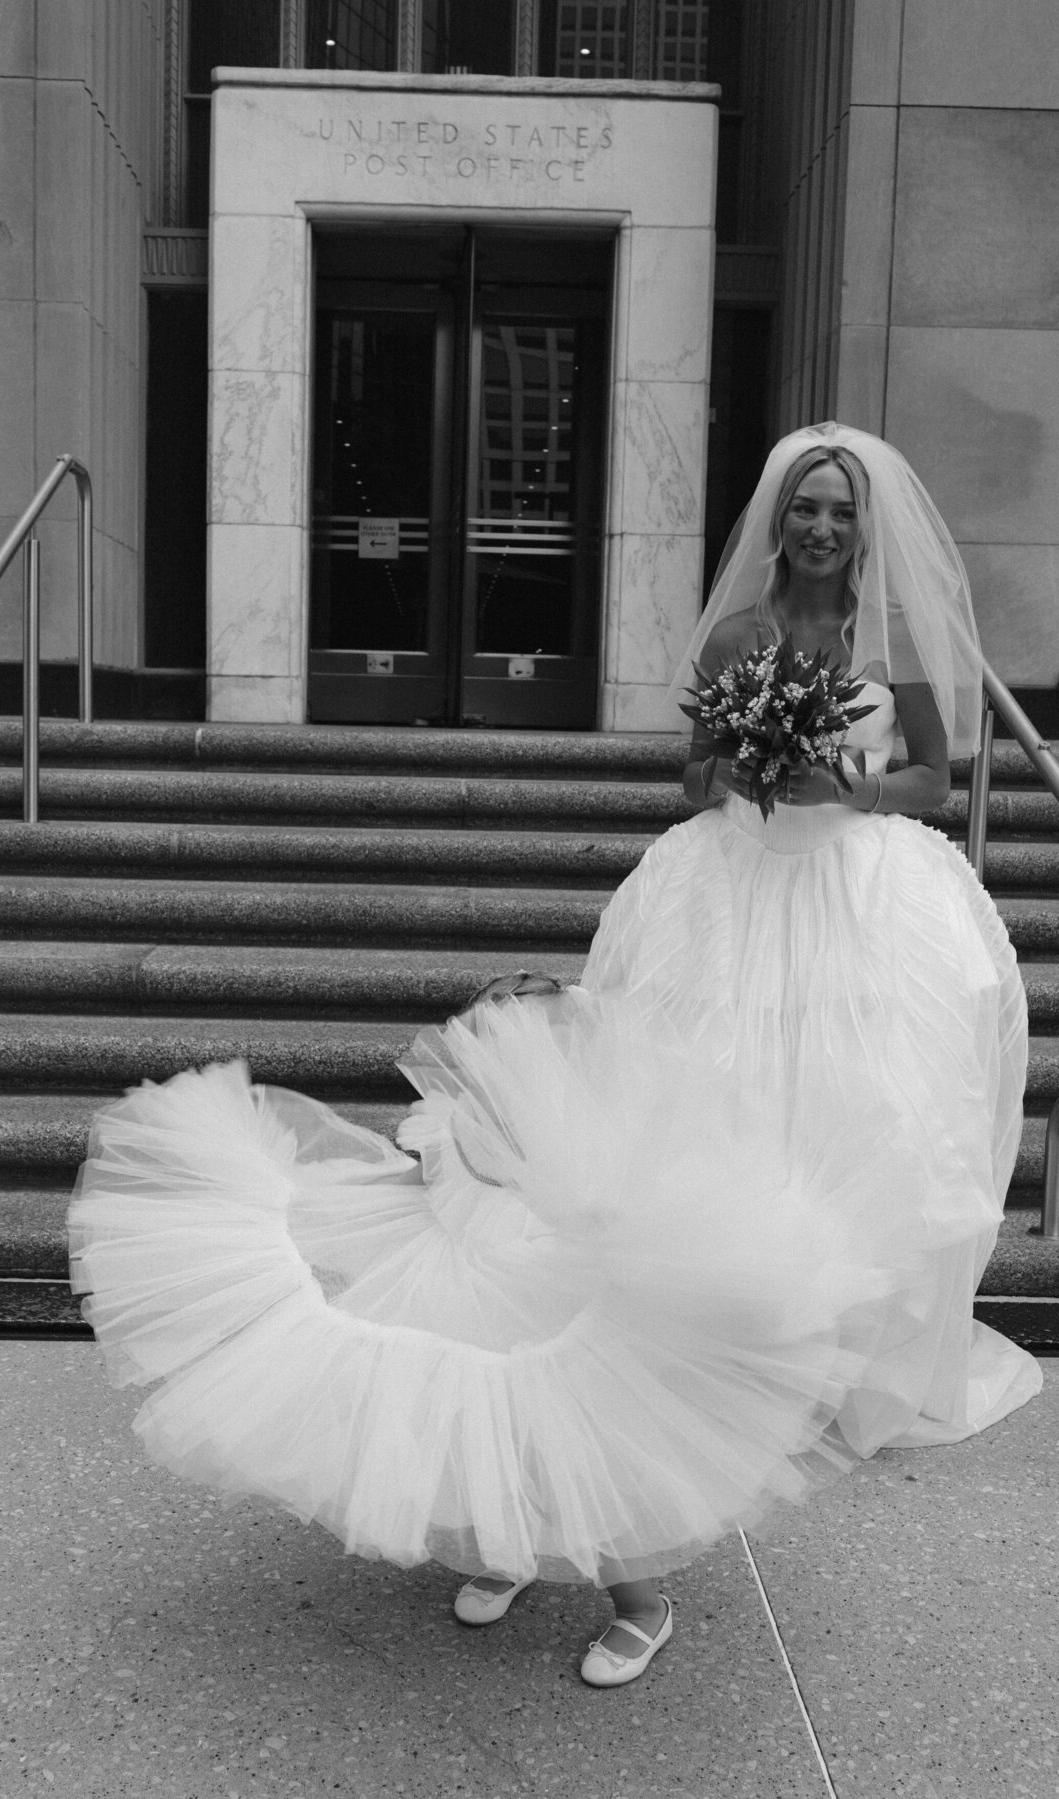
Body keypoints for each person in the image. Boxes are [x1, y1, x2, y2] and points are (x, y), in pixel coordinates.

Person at [69, 422, 1041, 1691]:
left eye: (839, 513)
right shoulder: (741, 634)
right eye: (803, 507)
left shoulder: (893, 643)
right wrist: (747, 763)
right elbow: (691, 775)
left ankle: (800, 1333)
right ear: (779, 516)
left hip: (853, 897)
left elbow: (930, 773)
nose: (818, 528)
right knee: (684, 1111)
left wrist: (842, 790)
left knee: (857, 1097)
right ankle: (611, 1415)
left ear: (865, 529)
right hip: (732, 889)